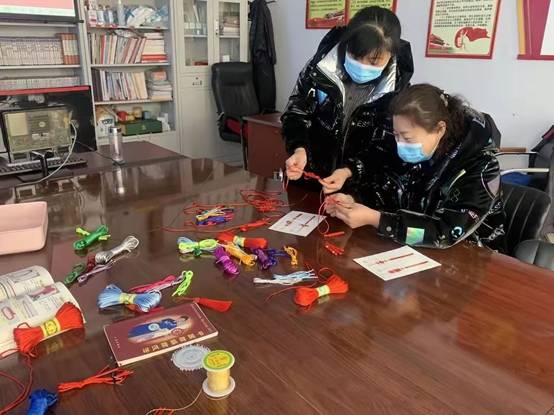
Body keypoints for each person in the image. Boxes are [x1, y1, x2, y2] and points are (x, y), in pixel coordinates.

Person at [325, 84, 506, 250]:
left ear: (440, 129)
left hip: (471, 256)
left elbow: (444, 234)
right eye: (396, 135)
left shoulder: (481, 168)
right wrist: (353, 200)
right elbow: (388, 189)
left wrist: (378, 220)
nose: (399, 144)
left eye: (407, 138)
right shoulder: (416, 146)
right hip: (409, 249)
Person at [282, 6, 413, 189]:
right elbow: (296, 112)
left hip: (358, 192)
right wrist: (299, 148)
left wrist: (350, 170)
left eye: (373, 61)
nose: (362, 65)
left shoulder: (397, 93)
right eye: (355, 56)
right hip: (310, 178)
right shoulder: (319, 69)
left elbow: (386, 147)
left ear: (391, 55)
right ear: (346, 43)